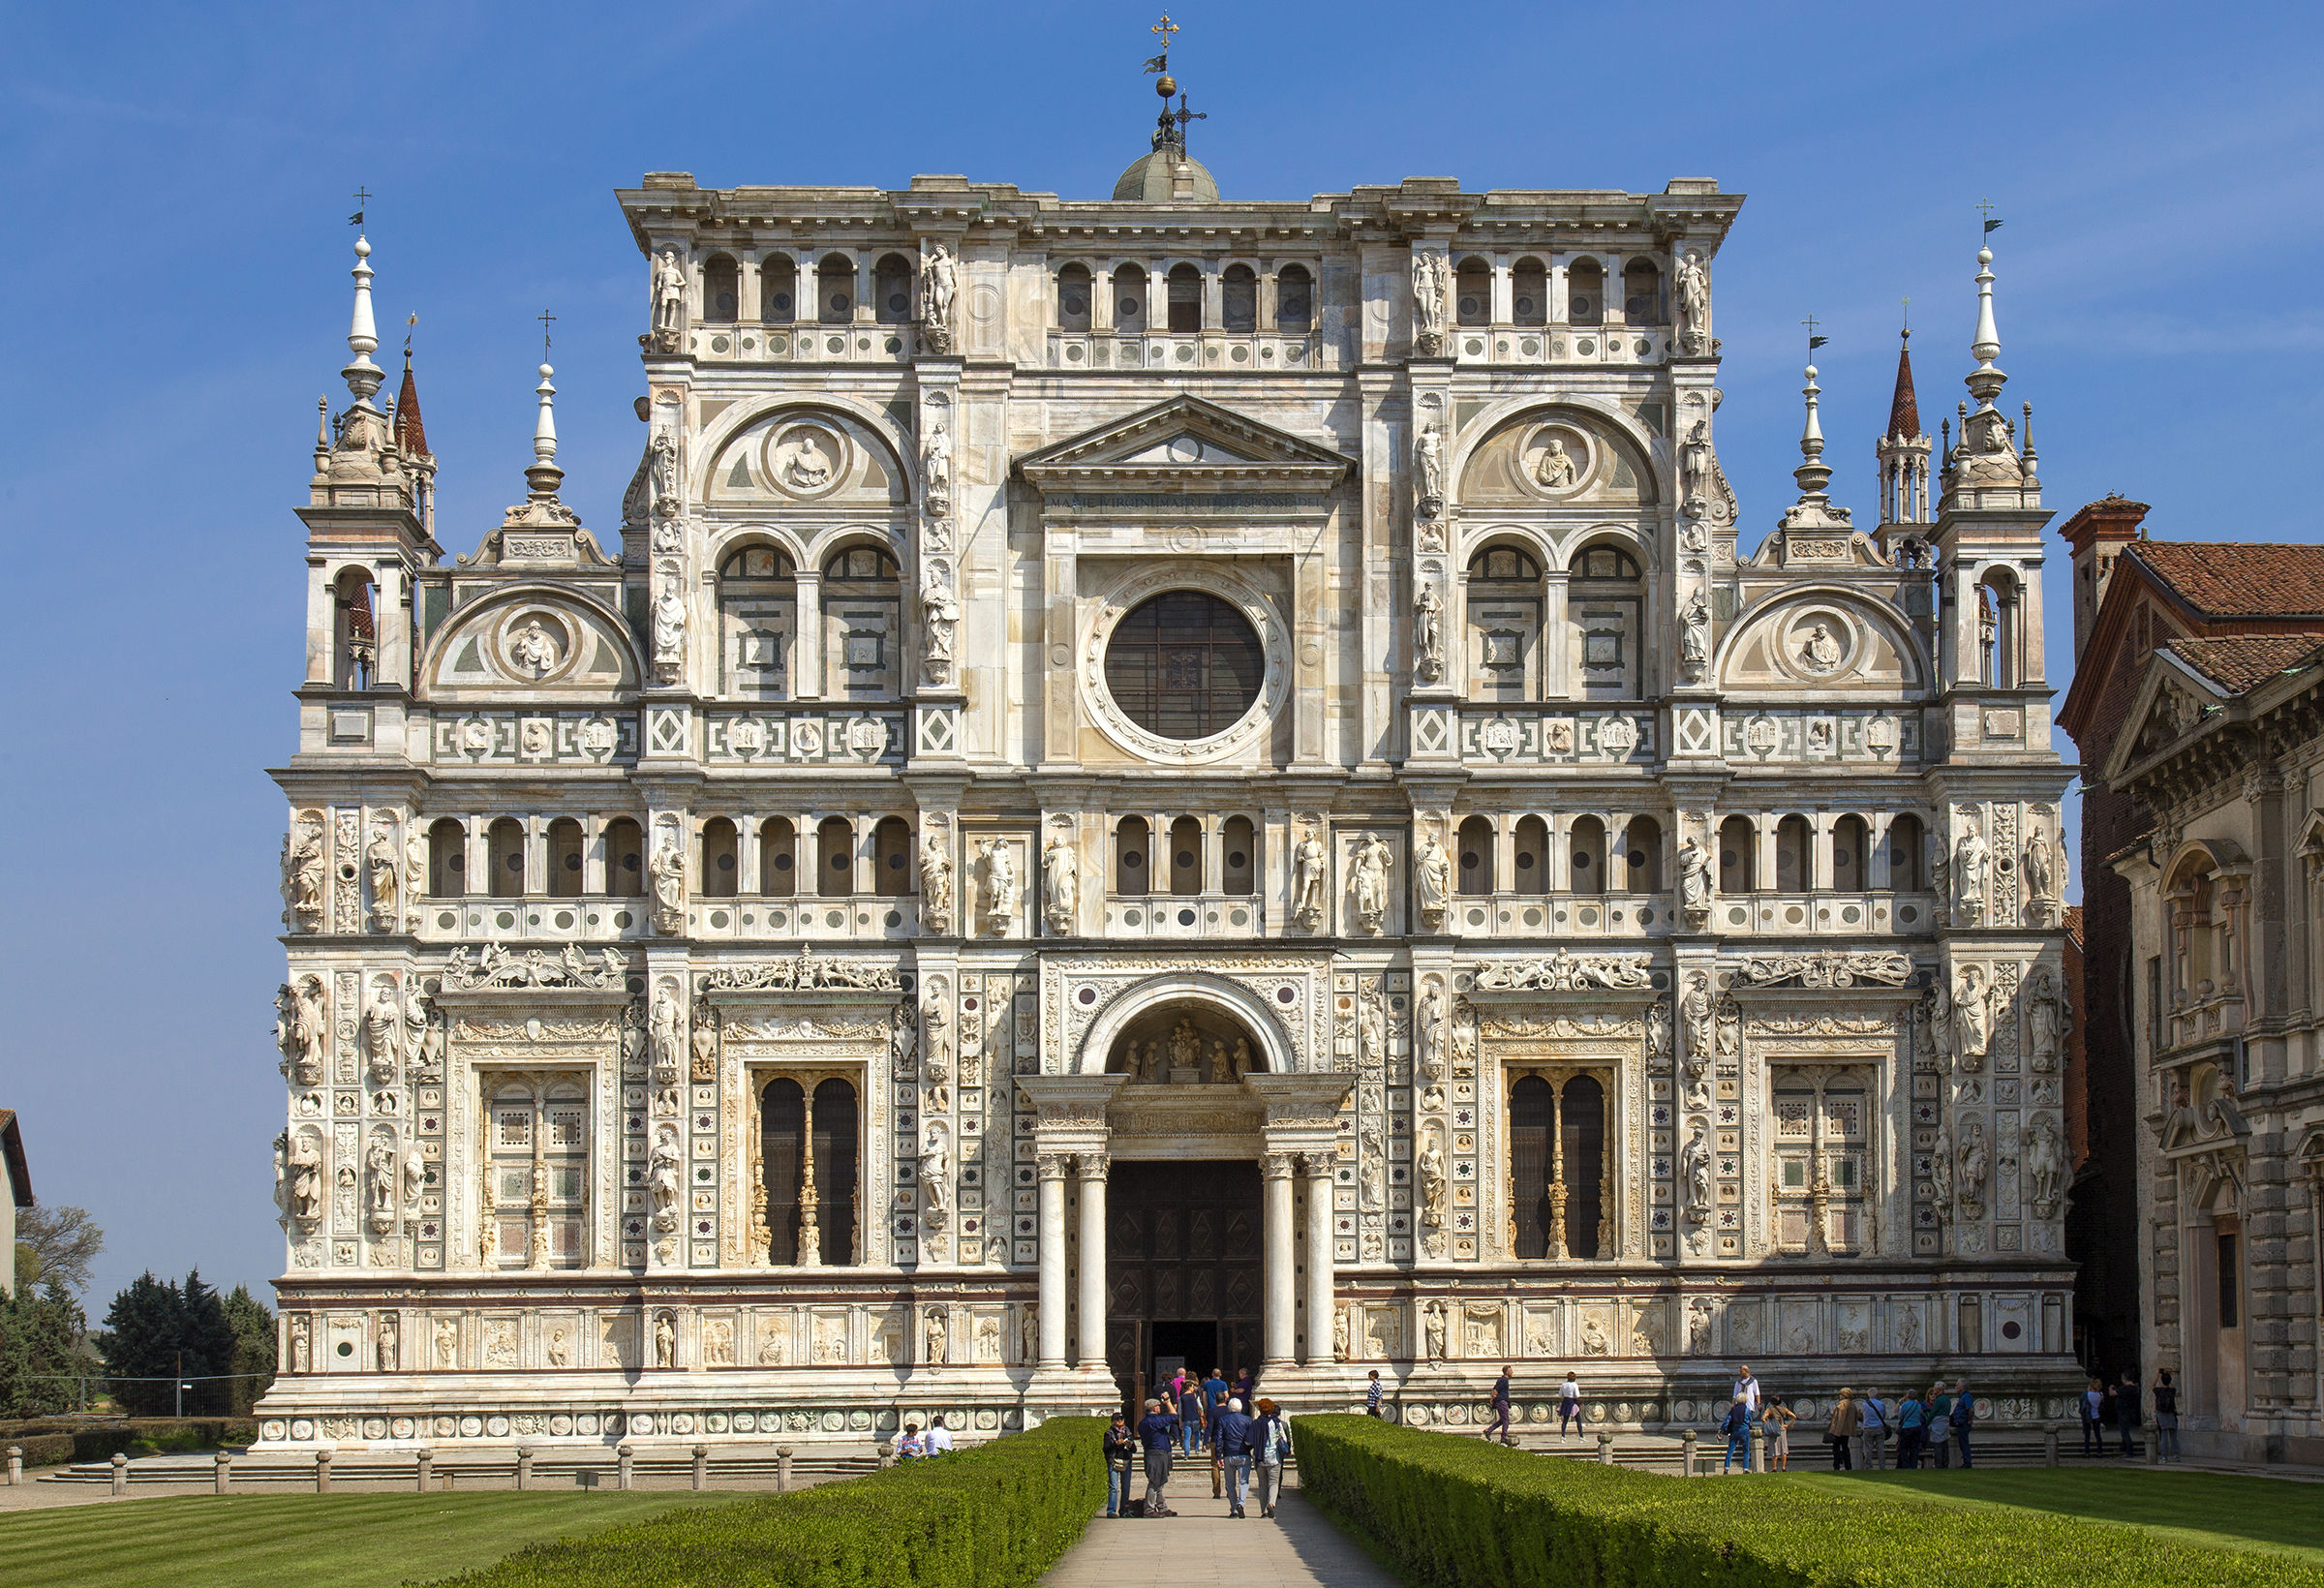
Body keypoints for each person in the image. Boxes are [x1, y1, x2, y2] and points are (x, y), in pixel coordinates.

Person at [1212, 1396, 1258, 1517]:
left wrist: (1218, 1456)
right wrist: (1250, 1449)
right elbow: (1251, 1438)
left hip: (1229, 1453)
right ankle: (1241, 1503)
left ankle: (1234, 1508)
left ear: (1229, 1408)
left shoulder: (1223, 1420)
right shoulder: (1248, 1420)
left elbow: (1219, 1439)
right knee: (1243, 1481)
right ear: (1241, 1408)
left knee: (1230, 1483)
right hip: (1243, 1453)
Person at [1136, 1397, 1179, 1517]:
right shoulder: (1153, 1421)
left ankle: (1161, 1506)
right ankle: (1149, 1509)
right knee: (1155, 1481)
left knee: (1159, 1482)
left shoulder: (1143, 1422)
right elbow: (1175, 1417)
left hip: (1153, 1453)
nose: (1160, 1408)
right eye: (1159, 1406)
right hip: (1157, 1454)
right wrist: (1168, 1402)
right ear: (1155, 1408)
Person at [1252, 1397, 1294, 1518]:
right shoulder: (1277, 1423)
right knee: (1273, 1483)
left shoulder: (1255, 1423)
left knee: (1262, 1484)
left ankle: (1263, 1511)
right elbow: (1284, 1439)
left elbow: (1250, 1441)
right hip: (1274, 1458)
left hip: (1260, 1458)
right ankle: (1271, 1503)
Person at [1103, 1413, 1137, 1518]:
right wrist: (1115, 1444)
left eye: (1121, 1419)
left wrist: (1129, 1444)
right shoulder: (1109, 1433)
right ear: (1113, 1421)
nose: (1120, 1421)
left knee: (1126, 1487)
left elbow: (1134, 1449)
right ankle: (1111, 1510)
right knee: (1113, 1487)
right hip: (1113, 1461)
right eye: (1117, 1419)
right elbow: (1106, 1448)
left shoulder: (1127, 1432)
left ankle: (1124, 1509)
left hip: (1125, 1460)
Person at [1826, 1389, 1860, 1470]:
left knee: (1836, 1448)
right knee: (1845, 1447)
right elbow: (1857, 1416)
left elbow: (1839, 1419)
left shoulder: (1841, 1405)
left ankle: (1837, 1465)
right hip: (1847, 1430)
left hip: (1839, 1430)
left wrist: (1836, 1431)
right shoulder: (1852, 1405)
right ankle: (1848, 1465)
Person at [2152, 1369, 2181, 1463]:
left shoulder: (2159, 1391)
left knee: (2163, 1435)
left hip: (2161, 1413)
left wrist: (2158, 1376)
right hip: (2171, 1413)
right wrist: (2167, 1378)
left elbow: (2152, 1386)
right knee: (2173, 1436)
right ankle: (2176, 1455)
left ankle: (2164, 1456)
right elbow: (2172, 1386)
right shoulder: (2172, 1391)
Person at [1759, 1394, 1794, 1470]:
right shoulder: (1784, 1409)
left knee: (1774, 1449)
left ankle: (1774, 1467)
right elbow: (1793, 1416)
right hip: (1782, 1429)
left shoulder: (1770, 1410)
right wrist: (1788, 1425)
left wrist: (1767, 1424)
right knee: (1784, 1449)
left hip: (1774, 1430)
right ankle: (1783, 1467)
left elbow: (1763, 1418)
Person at [1720, 1396, 1754, 1474]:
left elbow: (1727, 1420)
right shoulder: (1747, 1410)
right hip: (1744, 1430)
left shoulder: (1733, 1410)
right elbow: (1750, 1420)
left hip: (1735, 1430)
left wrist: (1724, 1429)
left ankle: (1726, 1468)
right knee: (1746, 1450)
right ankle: (1745, 1468)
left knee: (1730, 1450)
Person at [1895, 1388, 1927, 1470]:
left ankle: (1905, 1465)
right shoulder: (1918, 1405)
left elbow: (1900, 1416)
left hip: (1906, 1427)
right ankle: (1913, 1465)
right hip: (1917, 1427)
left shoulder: (1904, 1405)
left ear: (1907, 1396)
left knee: (1904, 1448)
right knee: (1914, 1448)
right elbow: (1921, 1415)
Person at [1947, 1380, 1976, 1469]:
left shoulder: (1966, 1396)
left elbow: (1971, 1409)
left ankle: (1967, 1463)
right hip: (1960, 1423)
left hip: (1963, 1423)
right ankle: (1966, 1462)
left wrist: (1969, 1419)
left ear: (1962, 1387)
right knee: (1962, 1443)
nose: (1955, 1387)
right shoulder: (1963, 1397)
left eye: (1957, 1385)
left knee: (1964, 1444)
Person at [2112, 1369, 2140, 1459]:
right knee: (2124, 1431)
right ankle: (2123, 1447)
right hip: (2130, 1411)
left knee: (2124, 1432)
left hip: (2124, 1412)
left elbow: (2112, 1394)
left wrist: (2110, 1388)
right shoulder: (2135, 1388)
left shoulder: (2125, 1388)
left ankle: (2129, 1451)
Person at [1177, 1378, 1208, 1459]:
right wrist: (1202, 1412)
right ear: (1190, 1387)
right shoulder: (1195, 1396)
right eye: (1192, 1386)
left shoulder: (1181, 1398)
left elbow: (1180, 1410)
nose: (1193, 1388)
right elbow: (1200, 1406)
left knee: (1187, 1437)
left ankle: (1186, 1454)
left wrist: (1180, 1420)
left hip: (1185, 1418)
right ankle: (1196, 1448)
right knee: (1196, 1433)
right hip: (1195, 1417)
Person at [1484, 1365, 1514, 1446]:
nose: (1512, 1372)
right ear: (1507, 1372)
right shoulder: (1504, 1380)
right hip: (1502, 1401)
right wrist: (1492, 1399)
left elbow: (1494, 1388)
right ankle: (1503, 1438)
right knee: (1506, 1420)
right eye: (1511, 1371)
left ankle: (1489, 1431)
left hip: (1501, 1401)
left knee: (1502, 1420)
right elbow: (1496, 1390)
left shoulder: (1501, 1379)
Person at [1860, 1390, 1890, 1471]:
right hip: (1879, 1427)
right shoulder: (1881, 1404)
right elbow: (1884, 1415)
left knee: (1868, 1449)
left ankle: (1868, 1466)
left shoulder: (1864, 1404)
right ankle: (1882, 1466)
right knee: (1880, 1448)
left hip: (1868, 1428)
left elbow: (1862, 1414)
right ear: (1877, 1395)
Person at [1925, 1383, 1953, 1468]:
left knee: (1938, 1445)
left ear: (1938, 1390)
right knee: (1945, 1444)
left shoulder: (1939, 1400)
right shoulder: (1947, 1399)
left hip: (1938, 1423)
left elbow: (1933, 1412)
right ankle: (1946, 1462)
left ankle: (1939, 1463)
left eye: (1935, 1389)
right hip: (1945, 1422)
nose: (1934, 1390)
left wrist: (1927, 1423)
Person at [2081, 1376, 2106, 1458]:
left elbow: (2082, 1403)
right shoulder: (2100, 1395)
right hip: (2096, 1416)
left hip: (2088, 1416)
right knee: (2097, 1434)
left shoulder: (2087, 1394)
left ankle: (2087, 1452)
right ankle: (2099, 1451)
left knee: (2087, 1435)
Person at [1559, 1371, 1582, 1440]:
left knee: (1565, 1421)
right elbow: (1577, 1395)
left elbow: (1560, 1395)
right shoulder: (1574, 1385)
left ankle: (1563, 1436)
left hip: (1565, 1402)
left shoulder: (1563, 1385)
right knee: (1578, 1420)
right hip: (1572, 1402)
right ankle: (1581, 1436)